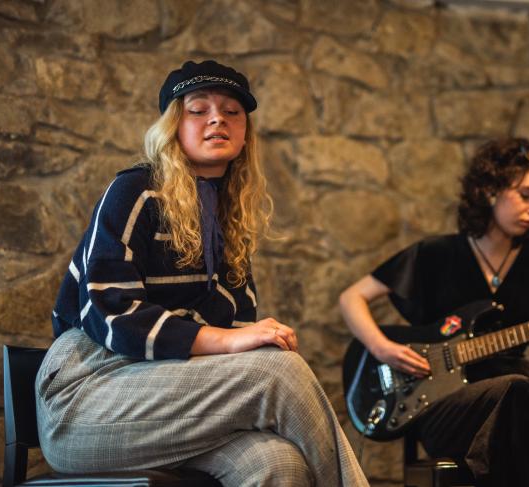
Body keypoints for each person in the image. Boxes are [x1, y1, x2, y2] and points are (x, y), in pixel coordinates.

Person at [38, 60, 369, 487]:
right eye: (198, 109)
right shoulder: (135, 191)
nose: (218, 119)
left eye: (232, 111)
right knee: (277, 372)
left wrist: (243, 340)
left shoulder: (227, 219)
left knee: (278, 463)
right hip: (87, 398)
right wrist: (231, 342)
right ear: (172, 126)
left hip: (174, 400)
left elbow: (235, 329)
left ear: (245, 132)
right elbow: (112, 314)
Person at [338, 137, 529, 487]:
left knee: (522, 395)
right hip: (449, 404)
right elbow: (352, 298)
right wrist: (383, 348)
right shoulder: (436, 253)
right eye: (526, 195)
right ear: (490, 191)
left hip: (527, 402)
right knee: (517, 392)